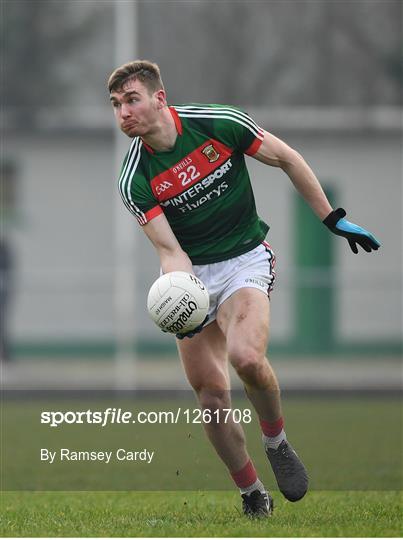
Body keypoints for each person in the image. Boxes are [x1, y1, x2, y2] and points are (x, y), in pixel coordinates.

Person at [108, 60, 380, 517]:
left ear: (159, 98)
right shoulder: (134, 178)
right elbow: (170, 252)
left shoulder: (218, 123)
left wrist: (332, 218)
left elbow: (287, 159)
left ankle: (275, 441)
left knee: (246, 358)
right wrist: (179, 294)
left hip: (244, 259)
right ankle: (252, 493)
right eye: (115, 105)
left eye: (131, 100)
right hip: (192, 272)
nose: (123, 113)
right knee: (212, 397)